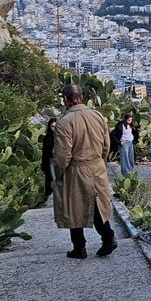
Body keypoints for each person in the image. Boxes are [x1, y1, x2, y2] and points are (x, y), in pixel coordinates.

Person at [52, 84, 118, 259]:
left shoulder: (64, 122)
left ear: (66, 99)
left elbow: (62, 155)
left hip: (76, 168)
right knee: (98, 206)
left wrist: (59, 172)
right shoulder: (98, 116)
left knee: (75, 208)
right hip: (96, 166)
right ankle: (108, 237)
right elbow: (106, 145)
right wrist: (100, 162)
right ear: (81, 97)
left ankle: (79, 247)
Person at [40, 117, 57, 203]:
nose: (54, 128)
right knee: (53, 179)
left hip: (61, 160)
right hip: (51, 160)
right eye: (52, 126)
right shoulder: (47, 138)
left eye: (56, 126)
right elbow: (45, 152)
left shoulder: (63, 137)